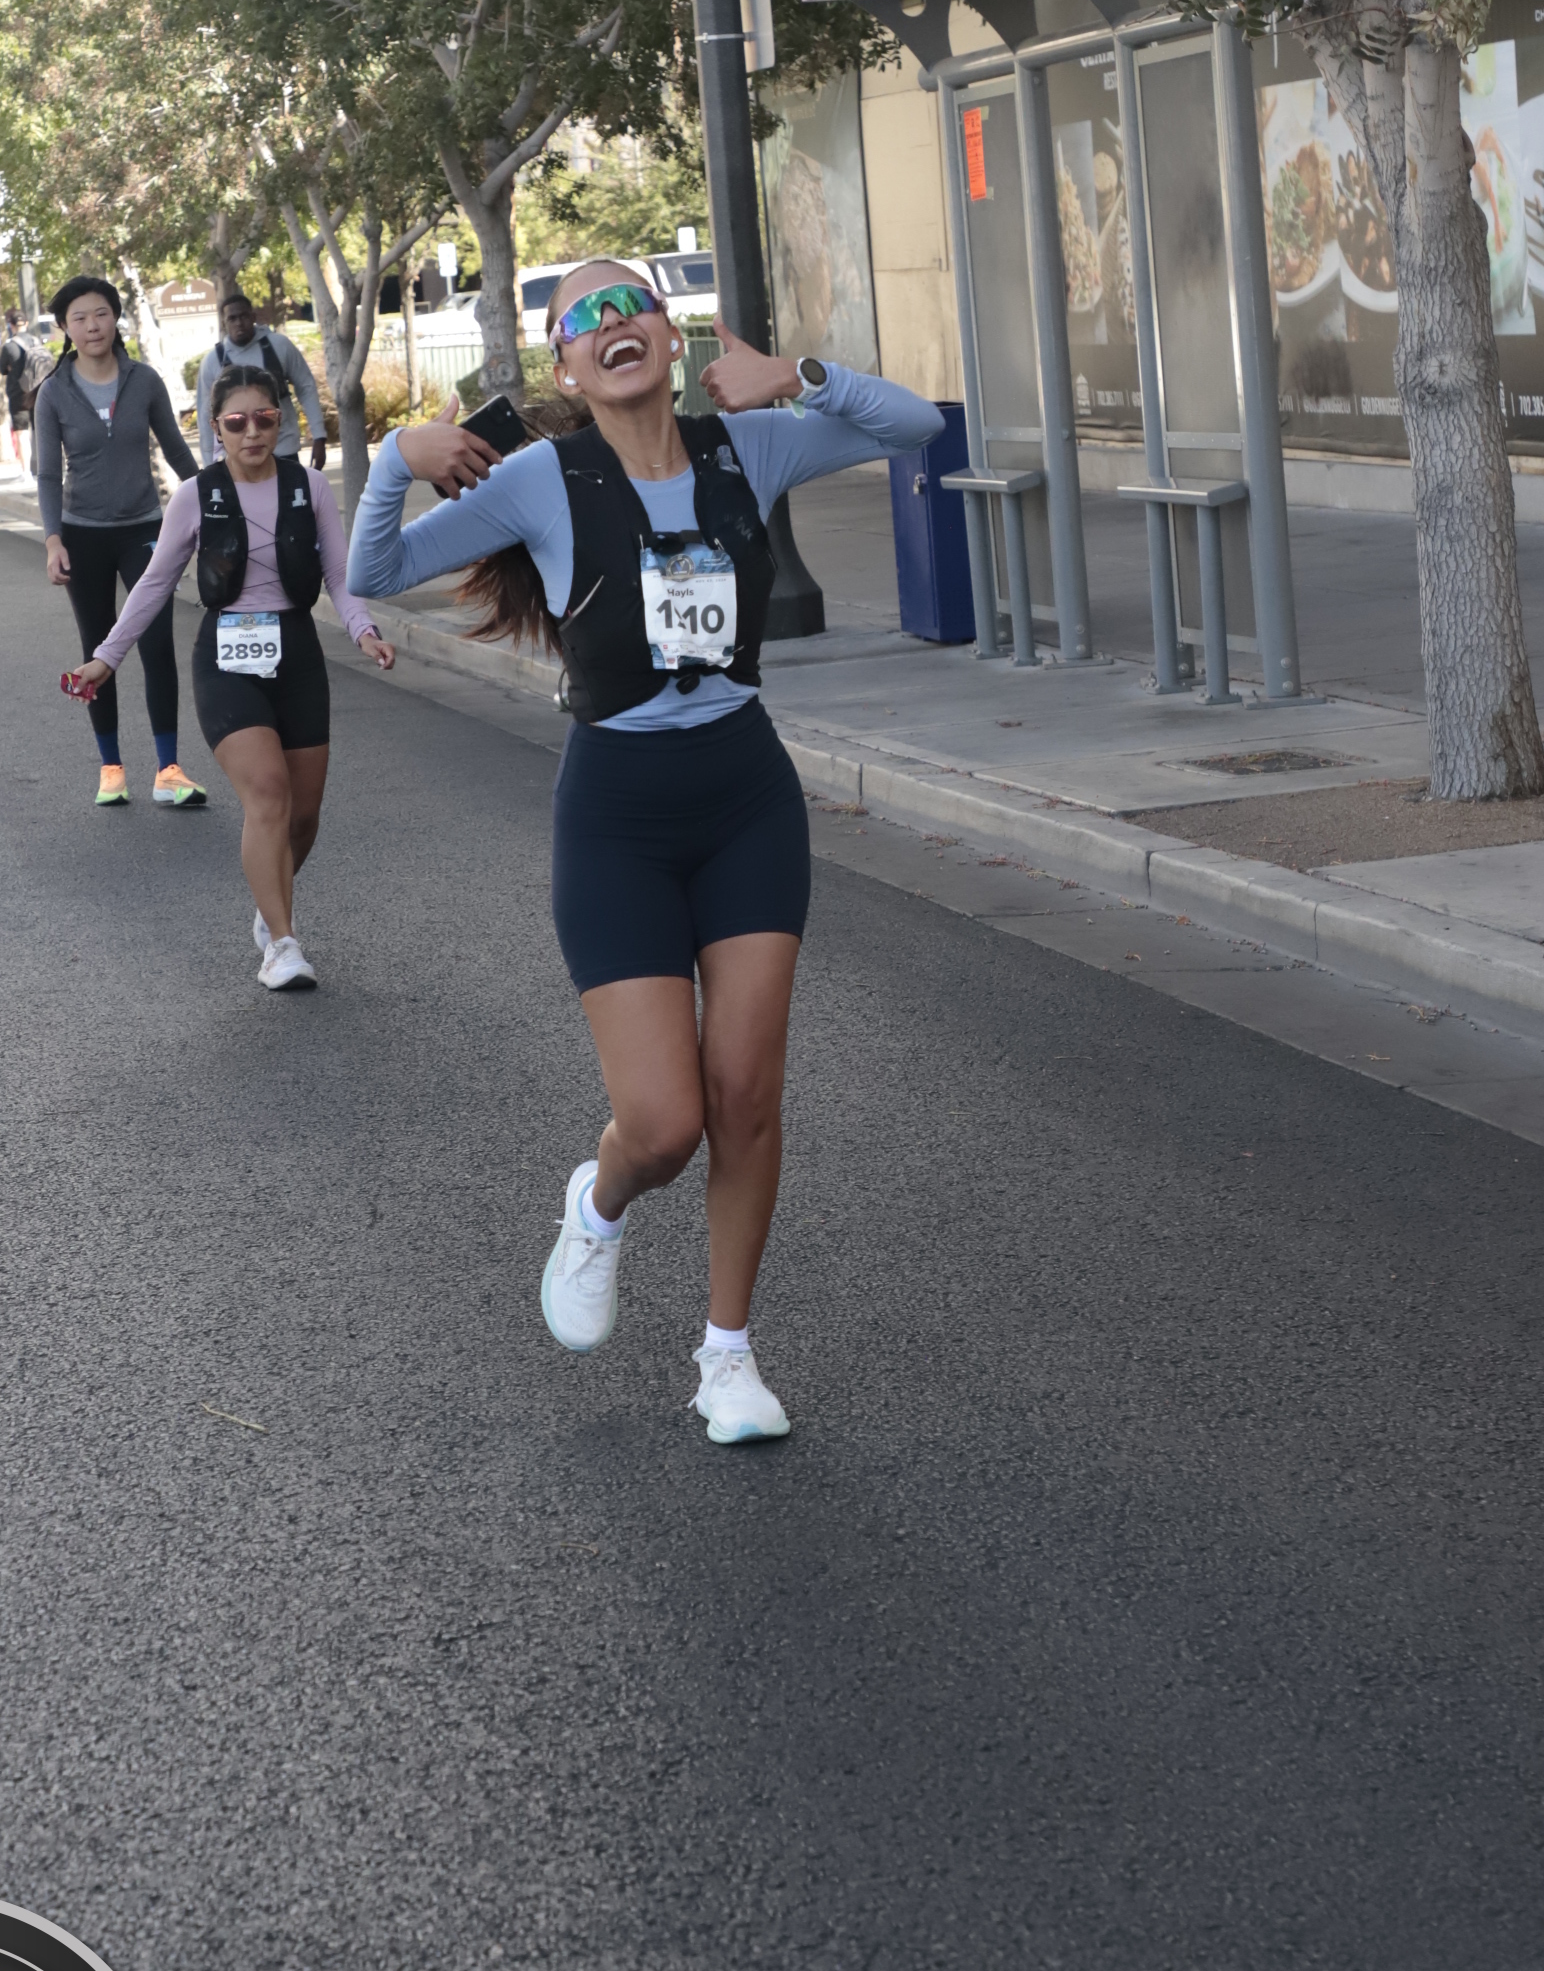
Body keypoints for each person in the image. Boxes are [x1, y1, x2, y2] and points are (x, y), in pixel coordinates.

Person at [349, 257, 944, 1446]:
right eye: (587, 317)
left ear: (670, 339)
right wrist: (392, 460)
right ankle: (599, 1202)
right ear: (567, 364)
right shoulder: (542, 478)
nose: (615, 324)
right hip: (617, 815)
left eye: (635, 306)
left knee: (746, 1095)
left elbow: (916, 426)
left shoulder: (745, 447)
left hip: (744, 798)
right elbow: (374, 572)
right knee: (665, 1124)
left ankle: (727, 1358)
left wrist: (800, 377)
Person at [63, 356, 393, 987]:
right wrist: (108, 655)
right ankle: (282, 947)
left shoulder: (309, 487)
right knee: (267, 792)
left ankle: (270, 908)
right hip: (227, 657)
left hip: (297, 653)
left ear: (281, 421)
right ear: (216, 428)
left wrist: (364, 631)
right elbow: (154, 582)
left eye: (264, 418)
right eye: (237, 422)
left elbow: (339, 574)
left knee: (303, 816)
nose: (252, 432)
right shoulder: (196, 494)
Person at [34, 274, 206, 808]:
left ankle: (168, 769)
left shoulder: (144, 381)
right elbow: (47, 474)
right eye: (80, 318)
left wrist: (215, 503)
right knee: (97, 647)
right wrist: (53, 540)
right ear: (65, 328)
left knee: (156, 645)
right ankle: (111, 768)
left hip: (145, 530)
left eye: (101, 314)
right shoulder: (54, 393)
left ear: (116, 318)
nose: (92, 326)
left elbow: (176, 450)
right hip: (82, 534)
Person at [193, 290, 327, 473]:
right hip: (239, 459)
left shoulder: (279, 346)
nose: (239, 323)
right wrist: (209, 465)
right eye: (232, 318)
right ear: (224, 323)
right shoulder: (213, 361)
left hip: (284, 450)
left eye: (243, 316)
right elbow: (205, 415)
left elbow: (306, 387)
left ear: (253, 317)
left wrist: (319, 436)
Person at [0, 320, 35, 475]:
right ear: (26, 323)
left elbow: (2, 369)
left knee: (22, 433)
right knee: (41, 431)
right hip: (38, 392)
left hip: (18, 394)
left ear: (11, 326)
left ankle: (26, 471)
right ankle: (43, 467)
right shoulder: (36, 342)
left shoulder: (9, 346)